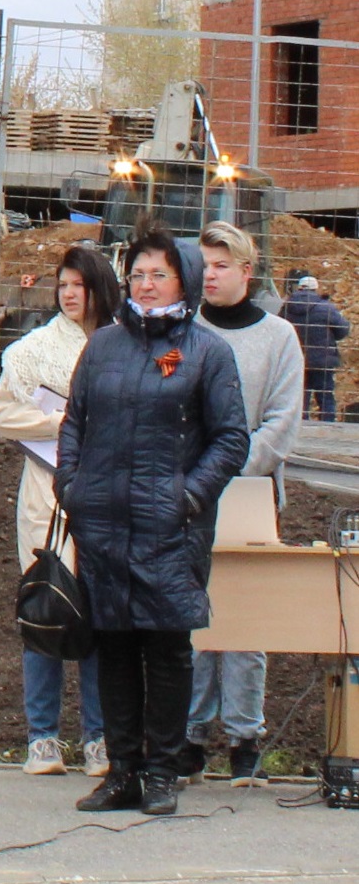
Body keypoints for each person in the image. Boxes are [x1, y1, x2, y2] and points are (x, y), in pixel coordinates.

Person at [58, 228, 248, 817]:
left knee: (166, 650)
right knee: (113, 648)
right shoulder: (106, 346)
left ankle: (163, 771)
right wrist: (72, 487)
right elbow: (74, 423)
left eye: (157, 274)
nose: (144, 283)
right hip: (105, 525)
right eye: (137, 273)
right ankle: (123, 772)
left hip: (171, 530)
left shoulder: (207, 352)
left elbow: (231, 438)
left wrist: (188, 497)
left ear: (183, 281)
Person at [0, 246, 122, 779]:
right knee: (46, 604)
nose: (68, 293)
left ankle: (99, 736)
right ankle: (42, 738)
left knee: (100, 613)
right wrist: (59, 420)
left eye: (78, 284)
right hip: (48, 494)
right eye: (62, 284)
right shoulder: (33, 352)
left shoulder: (121, 344)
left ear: (98, 288)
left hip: (108, 493)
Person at [183, 221, 303, 787]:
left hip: (251, 492)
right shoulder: (184, 331)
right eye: (204, 264)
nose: (210, 274)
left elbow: (281, 423)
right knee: (194, 610)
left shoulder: (278, 337)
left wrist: (228, 462)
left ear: (246, 271)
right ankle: (191, 732)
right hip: (191, 495)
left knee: (244, 616)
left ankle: (244, 734)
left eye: (222, 265)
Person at [279, 274, 348, 423]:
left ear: (299, 288)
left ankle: (300, 428)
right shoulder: (325, 307)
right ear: (315, 288)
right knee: (325, 396)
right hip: (322, 361)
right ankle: (327, 428)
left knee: (300, 397)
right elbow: (343, 329)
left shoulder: (286, 307)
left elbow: (279, 331)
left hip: (296, 359)